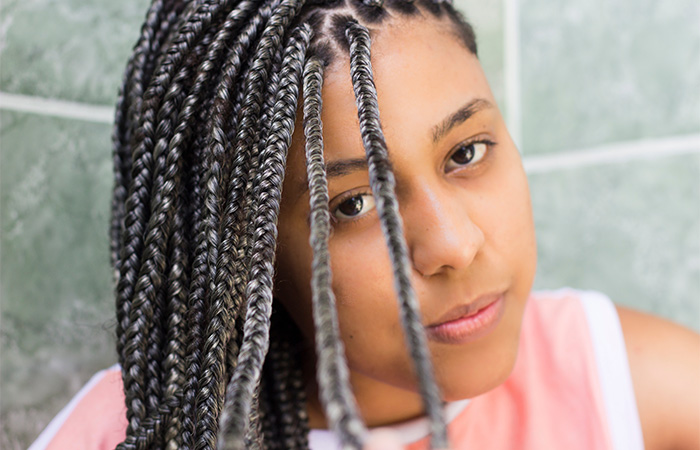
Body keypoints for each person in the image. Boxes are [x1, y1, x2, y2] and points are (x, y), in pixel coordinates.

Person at [30, 0, 699, 449]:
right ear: (252, 254)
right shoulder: (139, 431)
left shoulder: (617, 384)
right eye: (352, 203)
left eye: (466, 153)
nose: (452, 246)